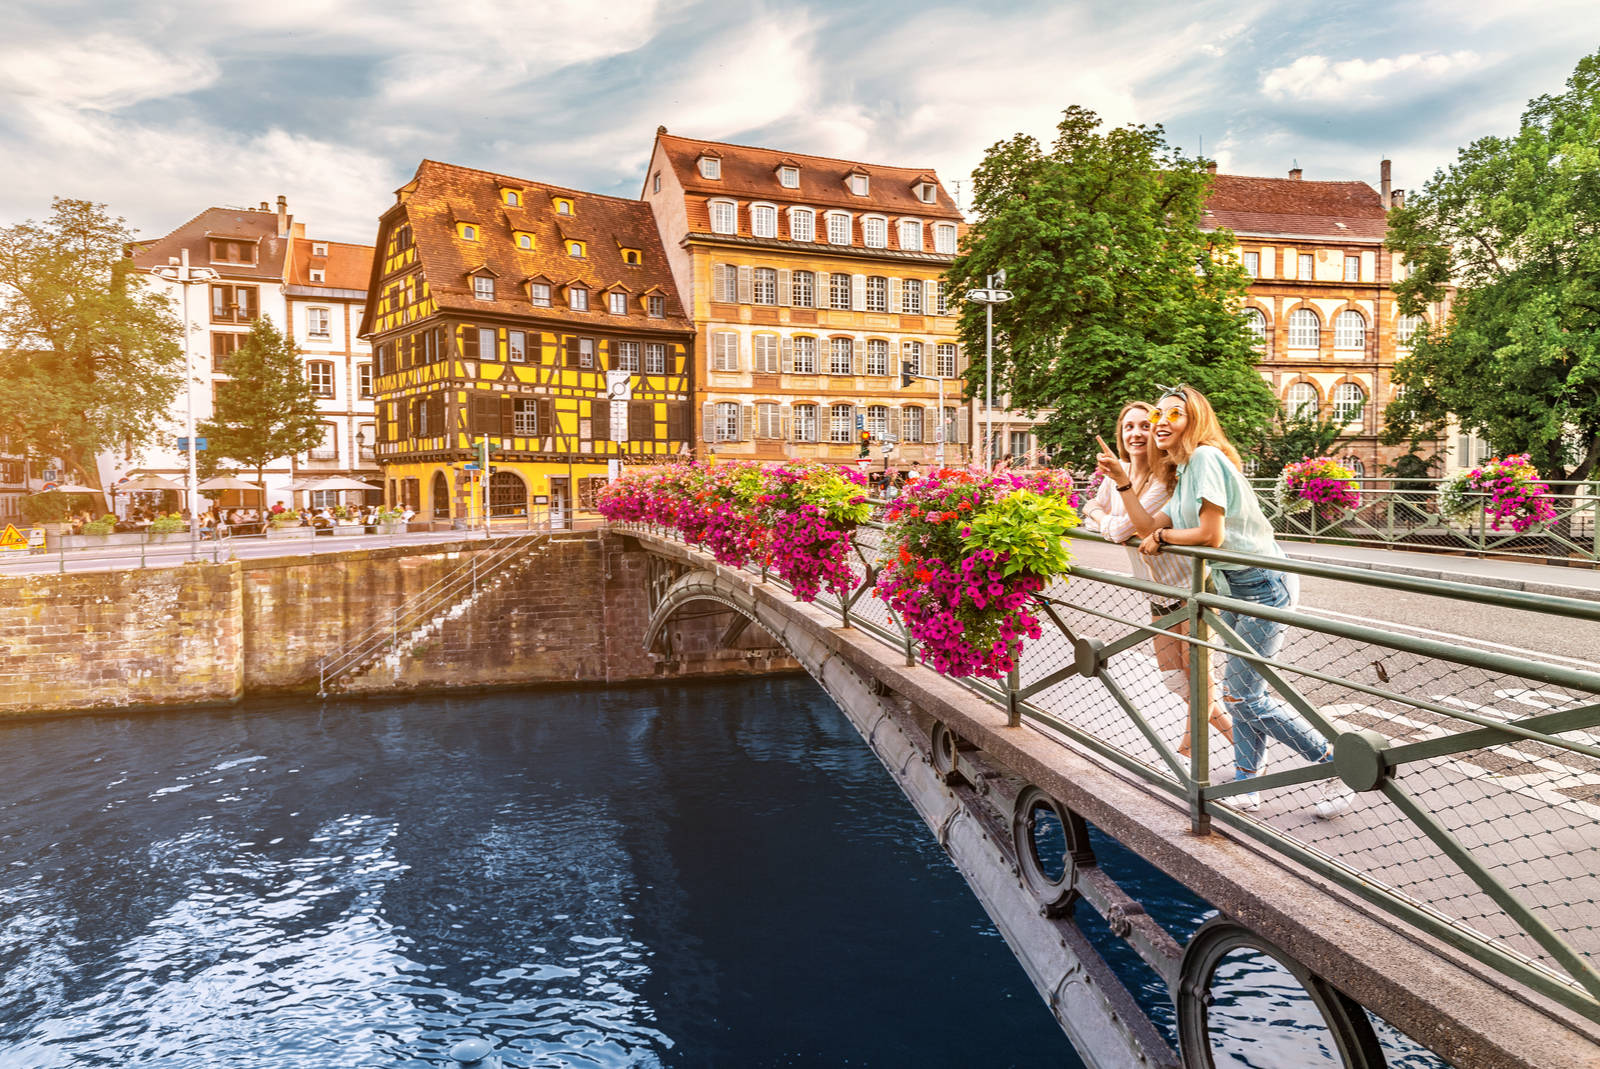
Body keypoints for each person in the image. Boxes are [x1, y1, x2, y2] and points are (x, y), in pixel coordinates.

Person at [1137, 385, 1349, 819]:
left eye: (1174, 414)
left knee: (1243, 697)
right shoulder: (1182, 474)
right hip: (1232, 587)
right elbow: (1143, 527)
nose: (1161, 421)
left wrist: (1162, 538)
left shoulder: (1205, 459)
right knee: (1243, 692)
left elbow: (1208, 536)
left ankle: (1334, 762)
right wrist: (1125, 486)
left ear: (1193, 422)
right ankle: (1248, 783)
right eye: (1157, 414)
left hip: (1262, 583)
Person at [1086, 401, 1233, 757]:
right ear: (1120, 435)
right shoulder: (1118, 472)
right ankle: (1240, 739)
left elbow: (1125, 528)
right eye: (1128, 427)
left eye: (1144, 426)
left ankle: (1190, 752)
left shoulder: (1164, 477)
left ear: (1156, 432)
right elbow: (1090, 507)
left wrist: (1107, 519)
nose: (1136, 433)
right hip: (1157, 589)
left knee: (1199, 679)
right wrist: (1103, 517)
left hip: (1193, 586)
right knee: (1176, 681)